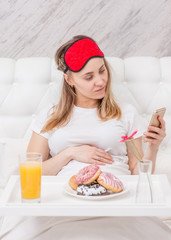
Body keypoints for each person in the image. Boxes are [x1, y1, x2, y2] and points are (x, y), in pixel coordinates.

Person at [0, 35, 170, 240]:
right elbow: (33, 172)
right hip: (61, 206)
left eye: (102, 70)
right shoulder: (49, 116)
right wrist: (70, 154)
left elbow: (139, 173)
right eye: (88, 77)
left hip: (118, 204)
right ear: (69, 79)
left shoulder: (126, 113)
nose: (100, 81)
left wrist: (154, 146)